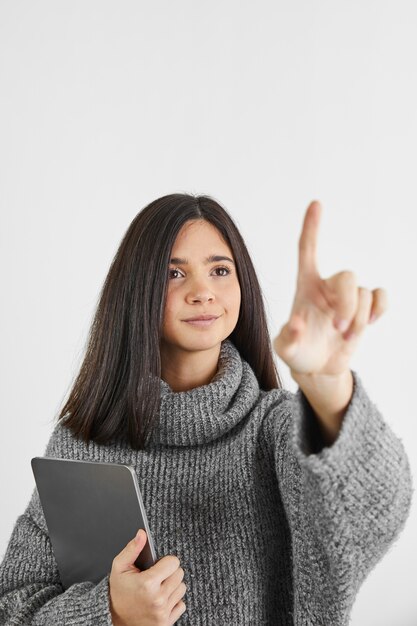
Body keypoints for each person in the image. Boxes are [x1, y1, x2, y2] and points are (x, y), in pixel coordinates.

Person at [0, 193, 412, 626]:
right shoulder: (80, 443)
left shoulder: (276, 430)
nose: (202, 292)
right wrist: (109, 612)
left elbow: (374, 513)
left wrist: (328, 383)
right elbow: (12, 609)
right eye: (174, 273)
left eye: (220, 270)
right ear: (135, 290)